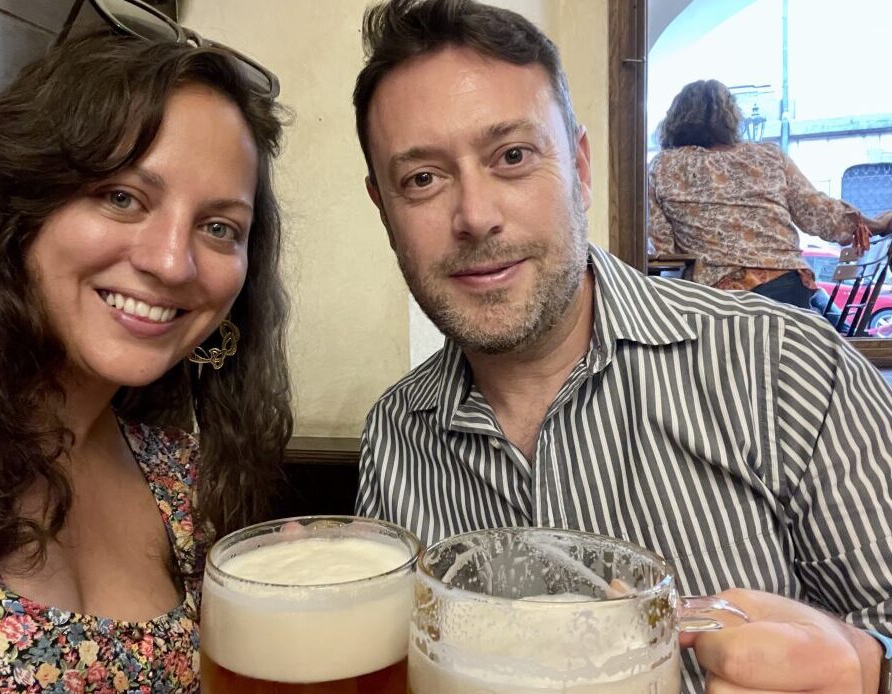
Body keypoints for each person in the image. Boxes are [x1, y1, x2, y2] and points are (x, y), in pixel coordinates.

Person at [350, 1, 892, 692]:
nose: (475, 217)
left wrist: (872, 670)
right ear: (384, 209)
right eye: (422, 178)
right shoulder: (395, 437)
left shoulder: (789, 371)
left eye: (513, 156)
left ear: (580, 164)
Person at [0, 24, 291, 693]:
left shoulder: (182, 479)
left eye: (218, 228)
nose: (172, 261)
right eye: (123, 197)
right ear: (19, 201)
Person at [648, 78, 892, 312]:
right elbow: (818, 212)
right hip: (786, 288)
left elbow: (665, 250)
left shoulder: (662, 167)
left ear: (675, 121)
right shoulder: (767, 156)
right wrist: (875, 223)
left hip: (718, 301)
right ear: (730, 118)